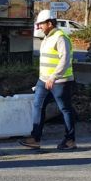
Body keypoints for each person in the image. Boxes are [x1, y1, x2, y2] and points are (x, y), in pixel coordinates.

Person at [18, 9, 77, 151]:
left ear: (50, 23)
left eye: (41, 24)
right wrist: (44, 78)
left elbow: (65, 59)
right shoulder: (47, 37)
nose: (38, 27)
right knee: (38, 106)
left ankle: (70, 140)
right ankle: (35, 138)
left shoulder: (60, 37)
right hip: (43, 80)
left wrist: (54, 77)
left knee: (65, 109)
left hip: (60, 81)